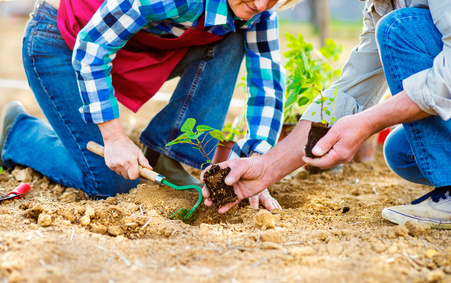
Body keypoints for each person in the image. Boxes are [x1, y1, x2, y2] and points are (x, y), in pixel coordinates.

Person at [0, 0, 300, 201]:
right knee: (111, 184)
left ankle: (166, 153)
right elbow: (92, 48)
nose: (261, 4)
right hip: (63, 41)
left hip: (126, 46)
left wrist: (257, 162)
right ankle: (20, 133)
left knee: (233, 30)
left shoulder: (256, 12)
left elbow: (268, 86)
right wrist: (115, 137)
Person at [202, 0, 451, 228]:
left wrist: (369, 122)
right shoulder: (381, 4)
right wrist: (266, 167)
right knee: (401, 152)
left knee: (399, 28)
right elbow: (352, 92)